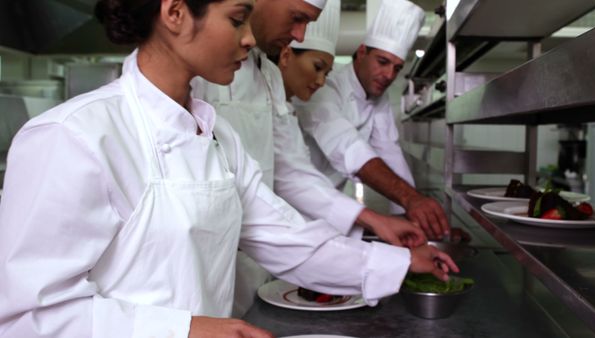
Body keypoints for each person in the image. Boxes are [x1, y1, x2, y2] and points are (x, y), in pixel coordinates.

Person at [0, 0, 458, 337]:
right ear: (175, 13)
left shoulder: (219, 137)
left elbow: (286, 238)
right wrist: (187, 330)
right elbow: (27, 318)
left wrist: (398, 263)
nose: (249, 38)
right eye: (238, 19)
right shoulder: (73, 136)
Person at [191, 0, 429, 317]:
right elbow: (343, 146)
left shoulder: (269, 76)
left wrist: (377, 219)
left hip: (265, 253)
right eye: (297, 18)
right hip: (221, 259)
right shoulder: (205, 69)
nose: (300, 35)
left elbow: (291, 173)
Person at [294, 0, 461, 241]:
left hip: (332, 214)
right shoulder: (323, 85)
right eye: (382, 62)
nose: (389, 75)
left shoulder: (378, 100)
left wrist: (420, 223)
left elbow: (391, 154)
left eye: (397, 68)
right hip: (296, 210)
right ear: (362, 52)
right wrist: (412, 200)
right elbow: (347, 146)